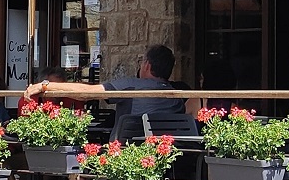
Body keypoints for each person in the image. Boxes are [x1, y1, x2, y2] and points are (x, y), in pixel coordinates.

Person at [26, 44, 182, 138]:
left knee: (73, 162)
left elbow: (88, 93)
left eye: (141, 62)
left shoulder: (132, 85)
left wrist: (45, 85)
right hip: (164, 161)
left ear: (147, 65)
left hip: (123, 154)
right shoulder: (178, 98)